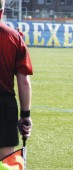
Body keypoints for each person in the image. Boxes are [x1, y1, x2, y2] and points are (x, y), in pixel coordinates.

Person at [0, 0, 33, 160]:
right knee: (5, 161)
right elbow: (23, 80)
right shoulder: (14, 37)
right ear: (3, 9)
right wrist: (25, 115)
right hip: (4, 105)